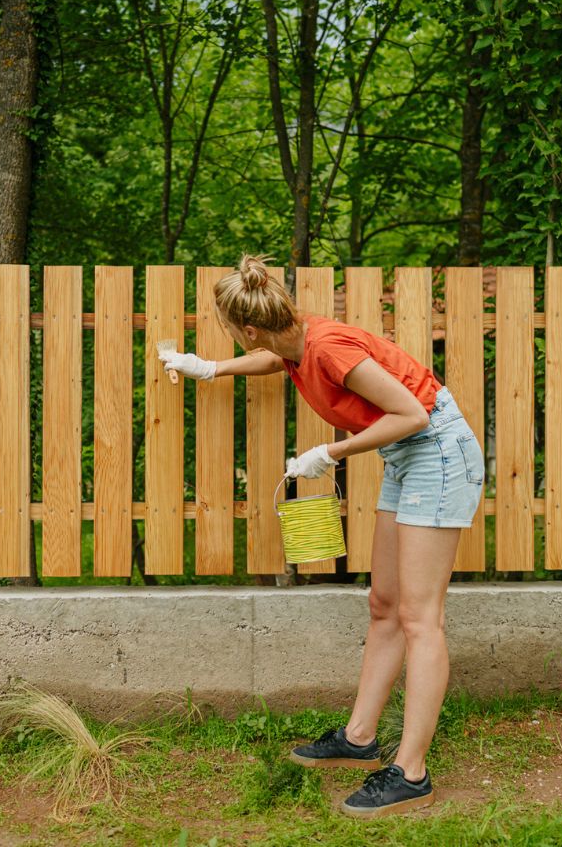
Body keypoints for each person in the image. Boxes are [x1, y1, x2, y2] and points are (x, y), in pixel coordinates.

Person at [159, 254, 485, 819]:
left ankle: (411, 772)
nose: (237, 340)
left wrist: (328, 451)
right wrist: (210, 368)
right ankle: (360, 738)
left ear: (251, 325)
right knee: (384, 604)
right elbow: (272, 359)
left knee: (419, 617)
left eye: (231, 332)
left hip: (436, 451)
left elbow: (412, 414)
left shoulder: (328, 346)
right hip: (406, 456)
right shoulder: (295, 339)